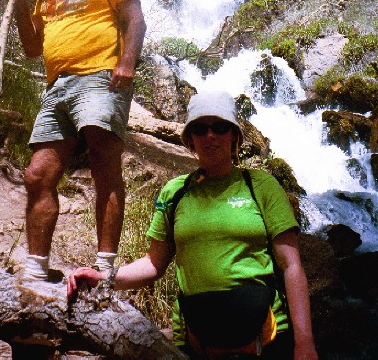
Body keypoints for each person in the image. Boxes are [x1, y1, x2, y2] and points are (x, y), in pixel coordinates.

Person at [67, 91, 318, 359]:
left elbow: (291, 266)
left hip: (266, 339)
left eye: (220, 127)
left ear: (234, 135)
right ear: (190, 139)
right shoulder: (174, 193)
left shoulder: (261, 186)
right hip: (195, 341)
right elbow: (153, 264)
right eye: (200, 129)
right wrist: (104, 279)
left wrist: (304, 342)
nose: (210, 136)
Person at [7, 0, 146, 282]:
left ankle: (104, 270)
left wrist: (127, 62)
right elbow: (32, 47)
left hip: (100, 76)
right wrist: (22, 0)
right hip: (57, 87)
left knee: (104, 162)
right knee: (37, 175)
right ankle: (36, 272)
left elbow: (135, 19)